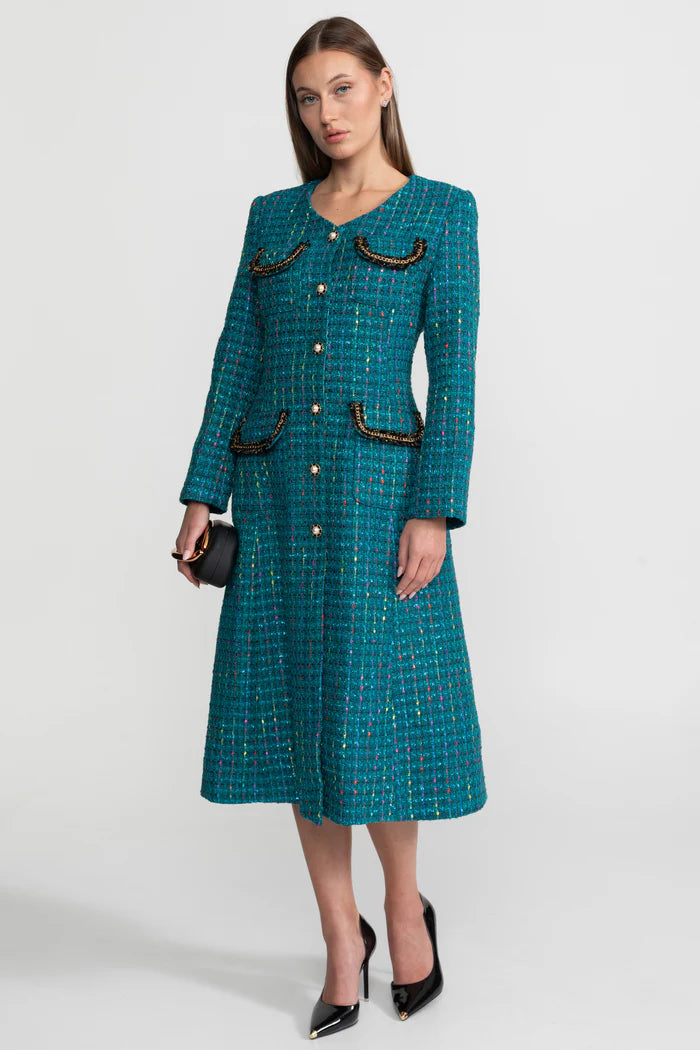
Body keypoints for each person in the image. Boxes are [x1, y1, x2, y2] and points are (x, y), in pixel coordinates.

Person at [173, 15, 487, 1038]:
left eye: (343, 88)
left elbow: (456, 375)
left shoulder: (441, 212)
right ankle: (339, 940)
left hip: (378, 500)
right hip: (275, 499)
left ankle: (403, 909)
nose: (326, 113)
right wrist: (201, 493)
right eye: (308, 98)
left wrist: (434, 508)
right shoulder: (272, 219)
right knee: (298, 717)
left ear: (384, 85)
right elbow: (236, 357)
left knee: (374, 716)